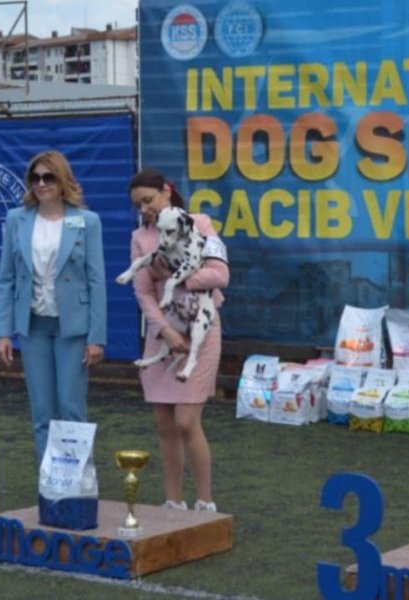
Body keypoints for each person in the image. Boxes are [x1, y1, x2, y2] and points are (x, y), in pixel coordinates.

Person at [0, 150, 106, 465]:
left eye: (48, 177)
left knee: (71, 407)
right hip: (33, 326)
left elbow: (96, 281)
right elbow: (6, 280)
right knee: (41, 410)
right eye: (35, 178)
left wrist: (96, 337)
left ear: (63, 180)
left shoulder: (87, 221)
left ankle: (77, 481)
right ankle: (50, 482)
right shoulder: (16, 219)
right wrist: (3, 333)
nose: (41, 184)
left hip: (73, 326)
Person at [127, 169, 229, 512]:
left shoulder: (201, 224)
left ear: (166, 192)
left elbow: (221, 274)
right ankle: (173, 501)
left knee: (186, 420)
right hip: (163, 333)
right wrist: (165, 331)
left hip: (201, 329)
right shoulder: (140, 238)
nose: (145, 209)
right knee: (164, 423)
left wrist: (179, 279)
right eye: (138, 205)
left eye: (149, 200)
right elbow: (143, 292)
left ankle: (205, 502)